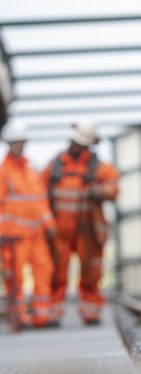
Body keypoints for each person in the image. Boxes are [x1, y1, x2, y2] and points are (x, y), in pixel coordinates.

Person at [42, 122, 119, 325]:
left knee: (91, 273)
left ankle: (91, 312)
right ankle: (53, 313)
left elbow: (113, 186)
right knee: (56, 273)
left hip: (88, 230)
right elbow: (40, 192)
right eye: (77, 143)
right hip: (60, 231)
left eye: (83, 145)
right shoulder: (55, 166)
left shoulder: (98, 167)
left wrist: (101, 191)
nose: (79, 148)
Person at [0, 119, 56, 327]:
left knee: (44, 271)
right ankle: (19, 317)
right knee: (15, 278)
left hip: (37, 235)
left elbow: (41, 201)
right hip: (14, 237)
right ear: (9, 144)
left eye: (23, 141)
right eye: (17, 141)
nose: (21, 145)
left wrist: (49, 225)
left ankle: (42, 316)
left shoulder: (32, 171)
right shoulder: (4, 172)